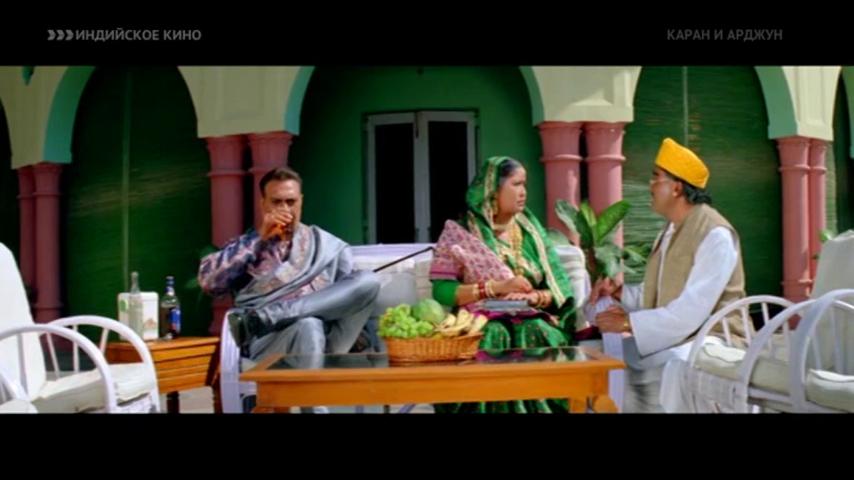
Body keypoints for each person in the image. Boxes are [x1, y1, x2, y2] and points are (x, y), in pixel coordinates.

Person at [590, 137, 746, 412]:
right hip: (679, 335)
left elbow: (690, 312)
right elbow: (658, 296)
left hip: (714, 338)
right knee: (599, 359)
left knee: (672, 365)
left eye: (656, 177)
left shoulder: (716, 234)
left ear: (676, 187)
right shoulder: (670, 230)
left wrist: (627, 324)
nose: (650, 185)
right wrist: (619, 293)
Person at [429, 156, 576, 413]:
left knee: (538, 331)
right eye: (516, 184)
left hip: (530, 316)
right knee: (493, 335)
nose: (524, 192)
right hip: (480, 319)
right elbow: (441, 290)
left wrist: (534, 298)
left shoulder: (532, 232)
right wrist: (496, 288)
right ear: (493, 191)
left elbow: (559, 289)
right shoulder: (459, 233)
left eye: (524, 184)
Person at [198, 166, 381, 364]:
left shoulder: (326, 245)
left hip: (328, 339)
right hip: (270, 341)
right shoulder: (246, 246)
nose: (285, 209)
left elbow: (350, 300)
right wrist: (259, 238)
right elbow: (209, 282)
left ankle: (271, 315)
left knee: (368, 280)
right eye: (276, 202)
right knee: (308, 325)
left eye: (291, 202)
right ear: (263, 204)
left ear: (301, 201)